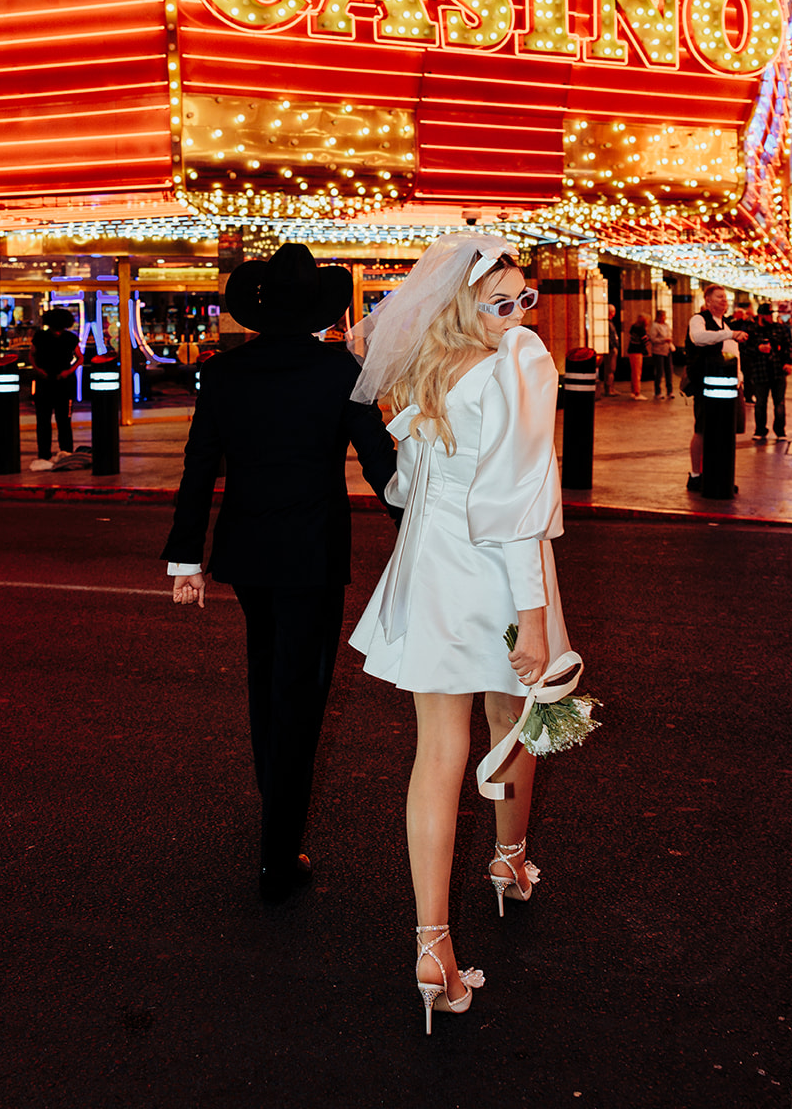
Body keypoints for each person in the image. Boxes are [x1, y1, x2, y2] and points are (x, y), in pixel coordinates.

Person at [347, 233, 572, 1032]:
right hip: (496, 571)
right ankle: (509, 864)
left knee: (437, 752)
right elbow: (519, 502)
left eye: (524, 301)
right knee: (512, 721)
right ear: (463, 308)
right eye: (500, 303)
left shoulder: (425, 374)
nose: (517, 315)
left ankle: (432, 943)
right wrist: (536, 622)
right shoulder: (519, 363)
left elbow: (404, 490)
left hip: (431, 572)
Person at [160, 243, 399, 904]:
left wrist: (187, 558)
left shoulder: (225, 372)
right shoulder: (340, 372)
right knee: (301, 690)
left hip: (247, 552)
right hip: (312, 552)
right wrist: (419, 526)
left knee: (265, 673)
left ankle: (276, 801)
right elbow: (381, 466)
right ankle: (276, 849)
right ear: (319, 311)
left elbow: (198, 466)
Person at [683, 283, 749, 491]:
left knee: (724, 430)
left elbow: (733, 355)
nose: (724, 301)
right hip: (706, 386)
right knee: (702, 429)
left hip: (729, 386)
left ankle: (718, 471)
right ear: (708, 301)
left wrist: (740, 380)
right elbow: (699, 339)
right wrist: (729, 335)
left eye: (725, 298)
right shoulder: (699, 320)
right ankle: (695, 475)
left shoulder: (725, 324)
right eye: (719, 297)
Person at [30, 306, 81, 470]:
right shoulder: (70, 338)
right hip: (63, 382)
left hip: (45, 381)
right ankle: (66, 451)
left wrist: (38, 370)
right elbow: (80, 357)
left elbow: (32, 354)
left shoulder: (40, 337)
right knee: (64, 420)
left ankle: (44, 453)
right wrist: (68, 371)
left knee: (43, 420)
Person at [742, 304, 792, 442]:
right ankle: (760, 429)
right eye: (768, 315)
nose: (771, 317)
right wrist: (758, 348)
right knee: (760, 403)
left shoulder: (779, 328)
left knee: (779, 403)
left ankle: (780, 431)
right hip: (760, 371)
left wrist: (788, 362)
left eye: (771, 315)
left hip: (778, 371)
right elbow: (745, 349)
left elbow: (788, 346)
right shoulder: (752, 330)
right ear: (761, 316)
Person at [648, 309, 675, 398]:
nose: (665, 318)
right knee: (659, 371)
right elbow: (652, 339)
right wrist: (663, 340)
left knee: (669, 370)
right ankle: (658, 391)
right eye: (663, 316)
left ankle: (670, 391)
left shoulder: (666, 326)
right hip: (658, 351)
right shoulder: (655, 326)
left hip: (667, 350)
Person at [627, 314, 648, 398]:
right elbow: (645, 341)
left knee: (633, 372)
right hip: (637, 352)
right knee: (637, 373)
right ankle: (637, 393)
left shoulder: (633, 327)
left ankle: (633, 391)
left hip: (631, 351)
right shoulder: (641, 329)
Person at [602, 302, 620, 395]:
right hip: (610, 349)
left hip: (613, 348)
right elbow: (609, 336)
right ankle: (609, 389)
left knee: (612, 369)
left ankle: (611, 388)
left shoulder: (610, 323)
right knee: (610, 369)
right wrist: (612, 345)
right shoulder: (607, 323)